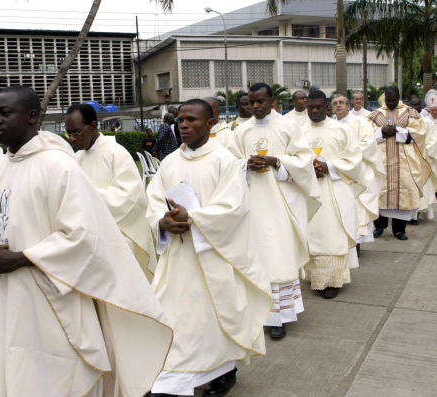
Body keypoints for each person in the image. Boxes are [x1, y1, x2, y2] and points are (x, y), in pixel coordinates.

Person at [0, 86, 173, 397]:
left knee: (57, 377)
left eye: (6, 113)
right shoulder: (5, 167)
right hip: (11, 293)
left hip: (54, 293)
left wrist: (22, 257)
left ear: (32, 116)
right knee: (18, 370)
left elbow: (81, 234)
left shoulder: (58, 165)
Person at [146, 99, 271, 397]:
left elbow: (234, 208)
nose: (185, 125)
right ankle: (171, 381)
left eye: (192, 120)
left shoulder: (224, 160)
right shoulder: (170, 162)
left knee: (212, 319)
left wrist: (195, 217)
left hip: (214, 254)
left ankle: (224, 372)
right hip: (177, 256)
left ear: (210, 123)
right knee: (177, 318)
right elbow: (152, 201)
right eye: (181, 121)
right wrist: (162, 222)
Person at [226, 82, 321, 339]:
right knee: (255, 257)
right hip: (252, 203)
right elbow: (228, 163)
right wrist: (245, 164)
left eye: (261, 101)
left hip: (281, 203)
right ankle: (257, 313)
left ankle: (279, 317)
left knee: (279, 256)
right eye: (252, 102)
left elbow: (304, 162)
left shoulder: (289, 127)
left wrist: (277, 161)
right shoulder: (241, 131)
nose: (256, 106)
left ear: (271, 101)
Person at [67, 103, 157, 280]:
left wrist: (87, 196)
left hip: (119, 235)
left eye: (76, 132)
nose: (72, 138)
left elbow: (130, 198)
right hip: (87, 237)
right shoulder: (77, 157)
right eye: (68, 133)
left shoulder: (116, 153)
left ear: (93, 126)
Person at [302, 90, 365, 299]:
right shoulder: (299, 131)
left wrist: (328, 166)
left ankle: (333, 281)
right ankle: (315, 277)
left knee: (332, 234)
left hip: (334, 189)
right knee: (312, 233)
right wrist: (308, 168)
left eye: (319, 106)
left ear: (327, 107)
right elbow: (292, 159)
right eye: (311, 107)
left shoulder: (340, 130)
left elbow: (354, 159)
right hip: (309, 191)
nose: (314, 111)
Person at [368, 86, 432, 240]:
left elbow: (419, 133)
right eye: (388, 100)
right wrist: (382, 132)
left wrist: (397, 131)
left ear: (399, 97)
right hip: (381, 162)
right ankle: (379, 227)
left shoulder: (411, 113)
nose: (390, 103)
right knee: (379, 193)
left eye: (393, 100)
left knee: (404, 193)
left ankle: (399, 230)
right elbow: (366, 135)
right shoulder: (375, 115)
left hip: (404, 162)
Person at [331, 93, 385, 252]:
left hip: (358, 173)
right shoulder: (330, 125)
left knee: (357, 209)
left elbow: (369, 144)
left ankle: (357, 245)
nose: (338, 105)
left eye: (342, 102)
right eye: (335, 103)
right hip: (337, 171)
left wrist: (347, 152)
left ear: (348, 106)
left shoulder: (361, 122)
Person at [419, 90, 437, 219]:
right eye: (432, 110)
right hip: (428, 159)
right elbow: (421, 139)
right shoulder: (424, 121)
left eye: (436, 110)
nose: (435, 112)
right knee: (429, 186)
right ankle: (426, 210)